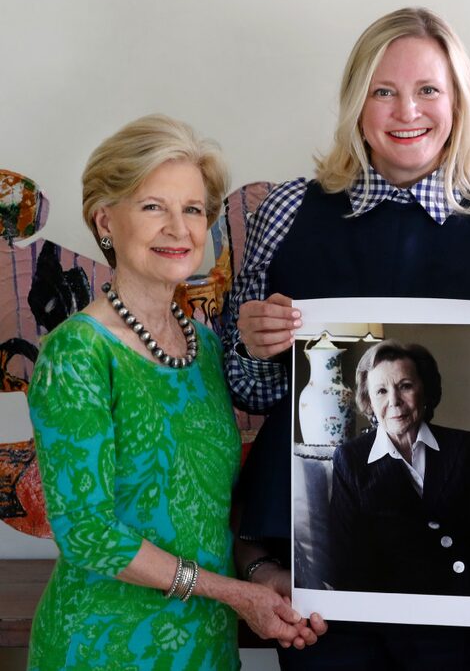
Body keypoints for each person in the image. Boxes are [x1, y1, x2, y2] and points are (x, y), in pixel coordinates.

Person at [223, 6, 470, 670]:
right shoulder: (288, 211)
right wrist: (255, 344)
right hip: (313, 566)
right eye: (384, 91)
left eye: (428, 90)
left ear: (458, 102)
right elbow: (252, 391)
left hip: (466, 591)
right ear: (357, 103)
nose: (407, 111)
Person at [26, 115, 320, 670]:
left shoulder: (206, 349)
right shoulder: (77, 355)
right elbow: (87, 535)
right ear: (104, 219)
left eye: (192, 210)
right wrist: (237, 595)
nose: (179, 229)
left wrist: (267, 576)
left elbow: (210, 506)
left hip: (205, 646)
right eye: (152, 206)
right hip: (104, 645)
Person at [328, 340, 470, 597]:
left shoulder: (463, 447)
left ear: (425, 390)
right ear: (369, 401)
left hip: (467, 598)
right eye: (381, 391)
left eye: (405, 386)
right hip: (397, 617)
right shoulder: (351, 459)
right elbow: (346, 560)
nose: (394, 401)